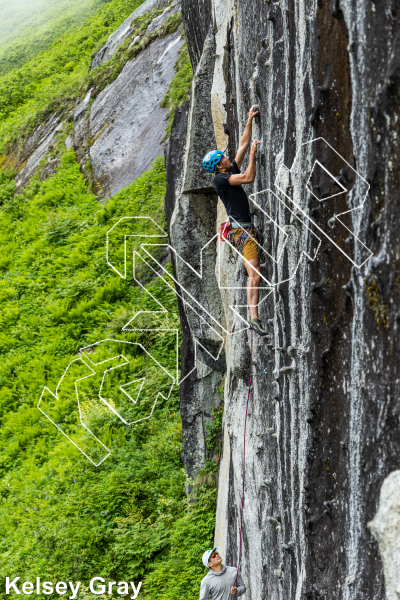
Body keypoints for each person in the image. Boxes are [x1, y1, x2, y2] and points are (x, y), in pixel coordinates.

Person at [202, 106, 267, 337]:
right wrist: (252, 156)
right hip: (242, 233)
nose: (228, 157)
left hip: (245, 230)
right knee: (255, 274)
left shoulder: (228, 171)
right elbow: (249, 177)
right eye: (224, 158)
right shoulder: (220, 180)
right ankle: (254, 318)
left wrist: (249, 119)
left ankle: (254, 317)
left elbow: (241, 144)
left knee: (255, 272)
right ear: (219, 166)